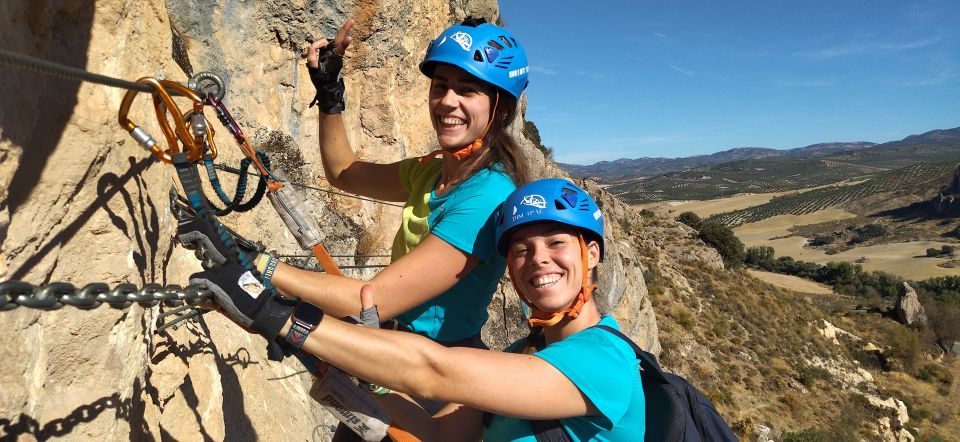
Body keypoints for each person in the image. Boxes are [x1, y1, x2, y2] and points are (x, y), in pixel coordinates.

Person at [191, 179, 647, 441]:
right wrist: (367, 369)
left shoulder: (605, 360)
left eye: (556, 243)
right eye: (522, 250)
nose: (538, 259)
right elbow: (440, 435)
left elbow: (436, 371)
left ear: (591, 253)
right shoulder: (520, 355)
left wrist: (277, 315)